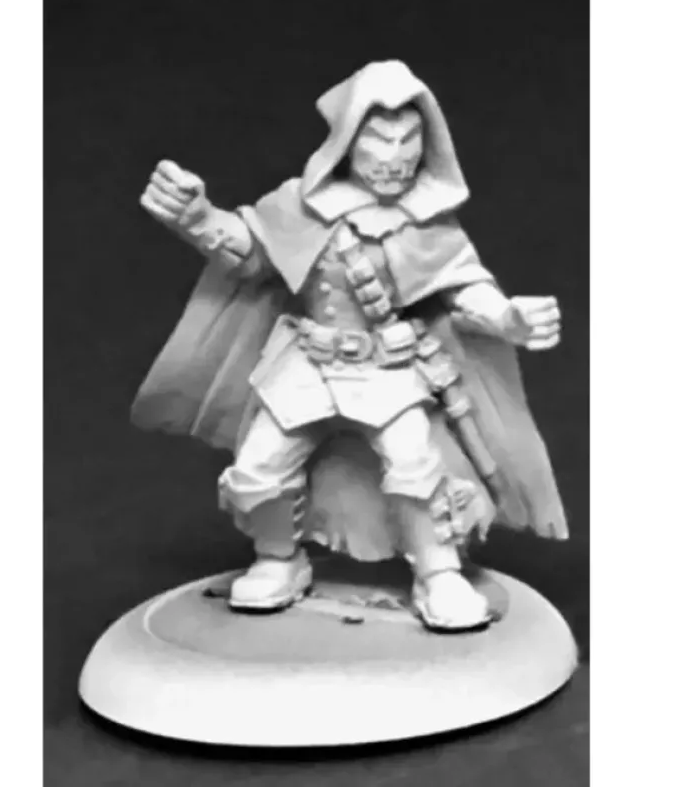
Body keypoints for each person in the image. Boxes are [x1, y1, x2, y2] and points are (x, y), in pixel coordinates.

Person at [134, 61, 567, 632]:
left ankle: (437, 572)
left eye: (408, 140)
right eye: (379, 139)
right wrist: (198, 217)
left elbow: (463, 288)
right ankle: (278, 560)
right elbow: (250, 252)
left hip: (389, 369)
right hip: (307, 362)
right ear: (347, 141)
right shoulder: (300, 205)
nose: (395, 156)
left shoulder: (428, 223)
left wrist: (508, 318)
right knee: (259, 468)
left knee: (416, 466)